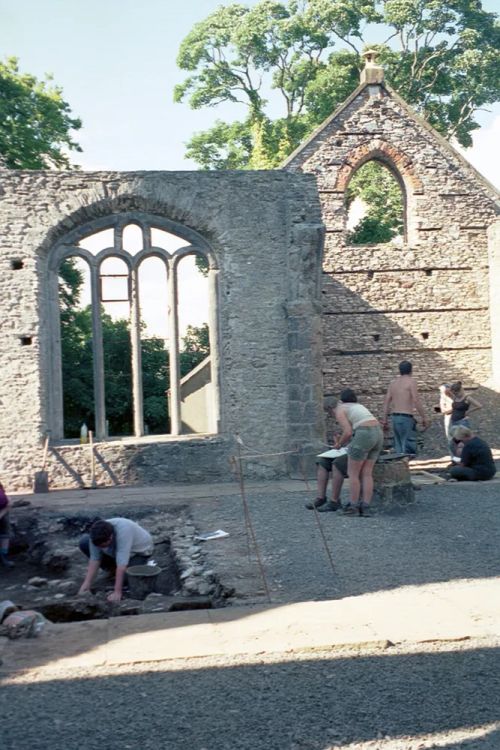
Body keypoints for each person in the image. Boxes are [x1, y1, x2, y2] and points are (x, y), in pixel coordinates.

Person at [333, 388, 384, 516]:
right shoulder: (359, 406)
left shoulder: (340, 408)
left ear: (340, 400)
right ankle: (366, 506)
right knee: (367, 473)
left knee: (353, 474)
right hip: (378, 433)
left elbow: (348, 431)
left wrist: (339, 444)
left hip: (364, 433)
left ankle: (353, 506)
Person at [78, 517, 153, 602]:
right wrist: (86, 584)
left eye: (103, 545)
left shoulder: (123, 531)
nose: (100, 548)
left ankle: (118, 572)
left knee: (127, 578)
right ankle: (112, 569)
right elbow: (95, 559)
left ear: (110, 537)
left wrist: (117, 592)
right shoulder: (95, 534)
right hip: (115, 551)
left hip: (137, 552)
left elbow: (122, 565)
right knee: (84, 542)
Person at [382, 361, 428, 456]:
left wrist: (385, 420)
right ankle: (406, 466)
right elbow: (416, 400)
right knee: (408, 447)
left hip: (395, 417)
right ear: (411, 370)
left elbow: (386, 402)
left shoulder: (393, 383)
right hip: (406, 417)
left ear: (399, 370)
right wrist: (424, 417)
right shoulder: (411, 382)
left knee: (398, 446)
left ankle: (401, 468)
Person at [0, 482, 14, 568]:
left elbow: (8, 502)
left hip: (4, 510)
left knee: (5, 534)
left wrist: (1, 514)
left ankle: (3, 557)